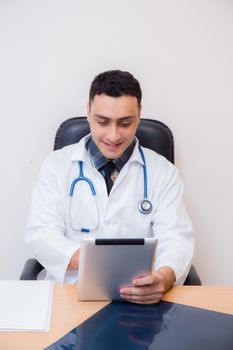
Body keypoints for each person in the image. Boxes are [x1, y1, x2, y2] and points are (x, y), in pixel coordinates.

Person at [26, 70, 194, 304]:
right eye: (102, 121)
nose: (113, 135)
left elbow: (176, 239)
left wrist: (163, 279)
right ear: (88, 112)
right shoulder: (56, 166)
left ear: (139, 115)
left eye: (125, 123)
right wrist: (94, 262)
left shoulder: (163, 172)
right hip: (69, 296)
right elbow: (41, 233)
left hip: (139, 301)